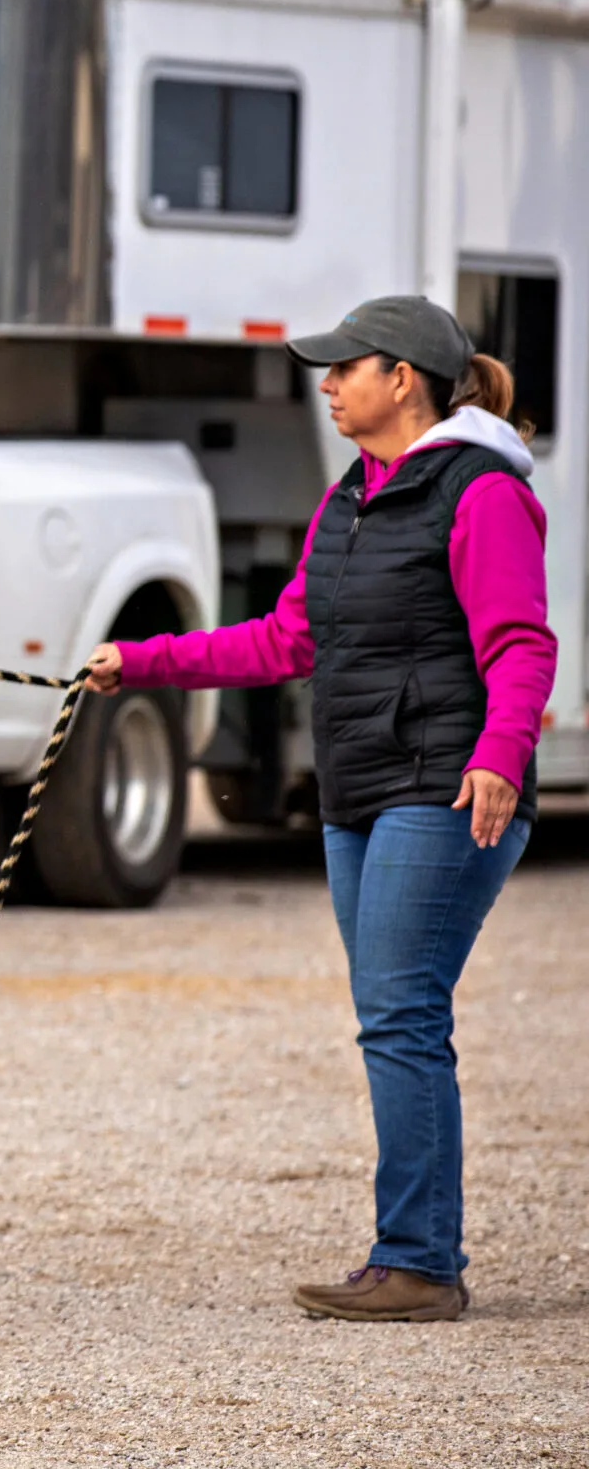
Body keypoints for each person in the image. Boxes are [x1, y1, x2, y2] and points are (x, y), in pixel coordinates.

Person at [86, 294, 553, 1323]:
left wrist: (499, 757)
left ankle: (420, 1261)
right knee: (393, 1014)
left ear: (404, 380)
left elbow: (522, 642)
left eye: (347, 367)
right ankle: (414, 1252)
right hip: (356, 791)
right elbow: (281, 640)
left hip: (440, 786)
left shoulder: (479, 494)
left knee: (399, 1014)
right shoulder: (348, 497)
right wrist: (141, 664)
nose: (327, 383)